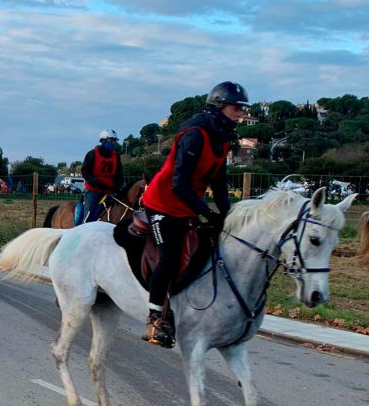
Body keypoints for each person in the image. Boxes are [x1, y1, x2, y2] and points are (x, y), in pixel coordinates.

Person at [140, 81, 249, 348]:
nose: (241, 115)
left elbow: (220, 185)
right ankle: (155, 317)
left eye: (242, 110)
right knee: (170, 255)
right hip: (163, 204)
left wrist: (227, 214)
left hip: (187, 204)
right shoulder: (195, 134)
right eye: (237, 109)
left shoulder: (223, 139)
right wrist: (205, 212)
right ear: (219, 107)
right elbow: (179, 184)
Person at [81, 129, 124, 222]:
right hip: (93, 190)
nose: (113, 143)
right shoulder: (92, 154)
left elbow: (119, 175)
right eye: (110, 140)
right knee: (89, 217)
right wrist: (97, 183)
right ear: (103, 140)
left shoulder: (116, 156)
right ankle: (84, 229)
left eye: (114, 141)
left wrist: (117, 187)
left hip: (109, 191)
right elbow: (85, 172)